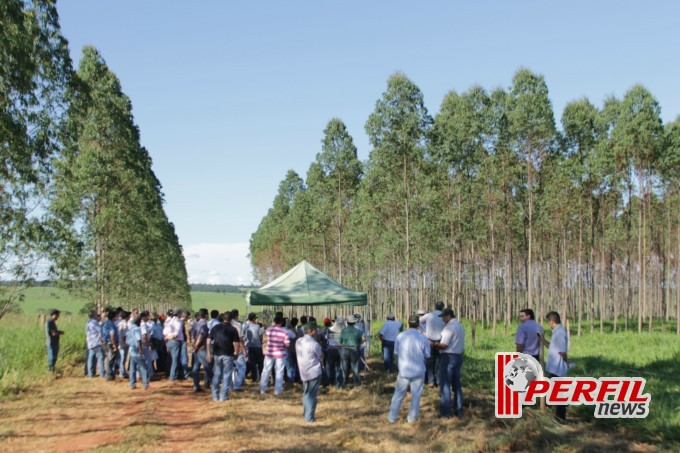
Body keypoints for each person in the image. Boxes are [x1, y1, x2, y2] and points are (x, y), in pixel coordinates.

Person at [388, 314, 430, 423]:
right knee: (416, 395)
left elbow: (396, 352)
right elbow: (427, 355)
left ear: (408, 323)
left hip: (404, 370)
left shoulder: (400, 336)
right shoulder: (423, 338)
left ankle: (392, 417)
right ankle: (412, 419)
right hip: (418, 370)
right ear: (418, 324)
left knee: (398, 394)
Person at [435, 307, 465, 418]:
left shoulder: (449, 328)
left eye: (443, 317)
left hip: (448, 357)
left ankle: (445, 413)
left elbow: (444, 345)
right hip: (458, 357)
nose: (442, 319)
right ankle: (459, 410)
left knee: (445, 385)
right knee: (457, 385)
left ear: (448, 316)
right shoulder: (460, 326)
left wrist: (435, 345)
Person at [539, 311, 569, 420]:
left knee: (559, 393)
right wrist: (542, 340)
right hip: (555, 368)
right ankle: (558, 416)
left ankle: (561, 417)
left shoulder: (560, 332)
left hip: (559, 368)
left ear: (552, 321)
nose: (548, 324)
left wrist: (567, 363)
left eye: (548, 322)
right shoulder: (556, 332)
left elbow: (562, 352)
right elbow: (552, 347)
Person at [207, 312, 241, 402]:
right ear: (231, 319)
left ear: (222, 318)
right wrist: (236, 353)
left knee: (217, 374)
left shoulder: (215, 328)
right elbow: (237, 343)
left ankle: (215, 396)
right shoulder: (233, 329)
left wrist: (208, 353)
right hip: (228, 354)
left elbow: (208, 340)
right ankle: (223, 397)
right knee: (226, 375)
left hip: (217, 354)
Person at [296, 322, 323, 422]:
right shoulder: (314, 344)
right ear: (312, 331)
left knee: (306, 393)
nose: (316, 332)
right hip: (314, 371)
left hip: (303, 370)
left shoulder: (298, 341)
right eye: (315, 330)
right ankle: (309, 418)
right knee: (312, 396)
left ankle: (305, 412)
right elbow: (320, 357)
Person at [259, 315, 290, 395]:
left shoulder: (269, 330)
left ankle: (262, 389)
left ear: (274, 321)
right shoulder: (284, 332)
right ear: (281, 322)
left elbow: (265, 339)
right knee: (279, 372)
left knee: (266, 370)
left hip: (269, 352)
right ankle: (278, 390)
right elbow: (287, 344)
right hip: (280, 353)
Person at [420, 301, 445, 386]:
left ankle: (431, 381)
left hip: (429, 341)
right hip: (440, 342)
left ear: (435, 306)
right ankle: (438, 381)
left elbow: (418, 322)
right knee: (439, 362)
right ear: (443, 307)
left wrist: (424, 332)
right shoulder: (444, 316)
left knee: (429, 361)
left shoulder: (429, 315)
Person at [339, 314, 364, 388]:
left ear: (347, 322)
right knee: (355, 368)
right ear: (354, 322)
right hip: (354, 350)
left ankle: (343, 384)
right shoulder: (358, 331)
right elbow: (360, 341)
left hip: (345, 350)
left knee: (344, 368)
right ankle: (357, 384)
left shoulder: (343, 330)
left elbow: (340, 341)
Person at [192, 308, 212, 393]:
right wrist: (196, 346)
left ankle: (196, 385)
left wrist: (194, 346)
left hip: (196, 349)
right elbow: (201, 336)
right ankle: (214, 384)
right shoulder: (204, 325)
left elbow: (193, 337)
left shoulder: (196, 324)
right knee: (208, 367)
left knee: (195, 368)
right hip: (201, 349)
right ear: (206, 315)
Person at [127, 316, 148, 390]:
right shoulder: (136, 329)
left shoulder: (130, 329)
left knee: (132, 368)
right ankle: (145, 384)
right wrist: (141, 350)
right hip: (136, 351)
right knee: (143, 367)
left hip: (131, 350)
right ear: (138, 322)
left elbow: (127, 340)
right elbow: (139, 339)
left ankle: (132, 384)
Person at [163, 309, 183, 382]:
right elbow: (176, 334)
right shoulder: (177, 322)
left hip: (170, 342)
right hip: (175, 341)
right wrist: (170, 337)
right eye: (180, 313)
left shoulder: (169, 321)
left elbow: (164, 332)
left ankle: (175, 375)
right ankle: (173, 376)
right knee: (175, 360)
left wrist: (168, 337)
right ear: (178, 314)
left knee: (173, 359)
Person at [230, 309, 247, 390]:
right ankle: (237, 385)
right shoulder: (238, 325)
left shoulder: (225, 324)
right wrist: (244, 350)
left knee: (229, 368)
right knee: (242, 367)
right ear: (237, 315)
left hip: (227, 349)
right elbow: (240, 339)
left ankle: (229, 386)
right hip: (237, 349)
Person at [243, 312, 264, 382]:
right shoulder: (257, 326)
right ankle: (261, 376)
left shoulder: (244, 326)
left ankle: (254, 377)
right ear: (254, 319)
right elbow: (261, 335)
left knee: (252, 363)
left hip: (248, 346)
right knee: (260, 363)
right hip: (257, 346)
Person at [325, 318, 344, 388]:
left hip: (331, 349)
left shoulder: (329, 330)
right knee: (339, 368)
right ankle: (338, 385)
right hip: (340, 350)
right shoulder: (343, 330)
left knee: (329, 367)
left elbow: (326, 338)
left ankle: (328, 383)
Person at [101, 309, 120, 381]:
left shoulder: (105, 323)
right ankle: (108, 375)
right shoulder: (111, 324)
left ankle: (110, 374)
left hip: (105, 343)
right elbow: (112, 335)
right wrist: (114, 344)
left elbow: (101, 334)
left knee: (109, 359)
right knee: (110, 360)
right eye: (116, 316)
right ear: (113, 317)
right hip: (110, 344)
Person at [86, 310, 105, 379]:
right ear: (94, 315)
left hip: (90, 343)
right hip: (96, 342)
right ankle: (101, 373)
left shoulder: (88, 322)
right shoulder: (95, 323)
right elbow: (101, 331)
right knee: (100, 357)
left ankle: (90, 374)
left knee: (90, 358)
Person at [45, 309, 64, 373]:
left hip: (54, 342)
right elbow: (53, 333)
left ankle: (52, 370)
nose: (58, 317)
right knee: (51, 358)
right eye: (58, 315)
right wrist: (60, 332)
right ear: (54, 315)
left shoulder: (51, 322)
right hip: (51, 343)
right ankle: (50, 371)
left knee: (54, 357)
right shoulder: (49, 322)